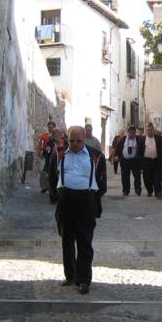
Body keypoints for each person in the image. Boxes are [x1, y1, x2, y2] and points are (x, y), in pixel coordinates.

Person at [54, 126, 106, 294]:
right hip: (66, 201)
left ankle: (84, 279)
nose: (75, 144)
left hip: (86, 202)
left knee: (85, 242)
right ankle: (70, 276)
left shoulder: (96, 156)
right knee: (66, 240)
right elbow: (53, 176)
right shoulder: (60, 153)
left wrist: (92, 199)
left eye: (78, 141)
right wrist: (59, 194)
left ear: (85, 139)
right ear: (67, 139)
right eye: (72, 140)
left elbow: (102, 184)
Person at [140, 122, 162, 198]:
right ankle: (149, 190)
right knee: (147, 179)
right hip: (146, 162)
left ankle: (158, 192)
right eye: (148, 130)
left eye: (151, 130)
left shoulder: (158, 138)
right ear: (146, 131)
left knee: (157, 178)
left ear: (153, 130)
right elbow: (139, 152)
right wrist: (141, 163)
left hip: (157, 161)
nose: (149, 132)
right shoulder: (142, 139)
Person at [114, 125, 142, 196]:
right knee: (125, 176)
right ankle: (126, 190)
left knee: (137, 176)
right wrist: (116, 155)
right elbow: (117, 148)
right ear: (128, 132)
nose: (131, 134)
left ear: (135, 133)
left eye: (133, 133)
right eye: (130, 133)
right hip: (125, 161)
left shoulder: (138, 139)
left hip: (135, 161)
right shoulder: (123, 139)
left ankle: (138, 189)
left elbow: (142, 148)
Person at [47, 129, 68, 203]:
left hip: (61, 164)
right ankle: (53, 196)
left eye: (60, 135)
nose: (59, 137)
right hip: (53, 162)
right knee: (52, 179)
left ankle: (59, 196)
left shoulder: (66, 144)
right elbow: (48, 151)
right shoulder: (51, 142)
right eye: (56, 135)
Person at [36, 121, 56, 193]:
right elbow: (41, 144)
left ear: (54, 127)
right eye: (49, 127)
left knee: (52, 172)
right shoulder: (44, 135)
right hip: (45, 155)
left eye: (51, 127)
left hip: (53, 156)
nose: (50, 128)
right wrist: (39, 151)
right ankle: (44, 186)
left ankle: (51, 187)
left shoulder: (56, 135)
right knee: (43, 171)